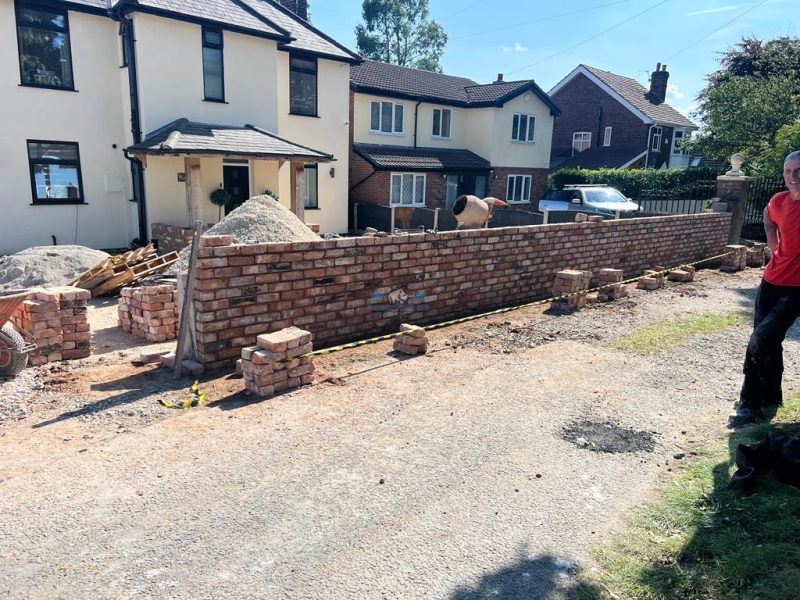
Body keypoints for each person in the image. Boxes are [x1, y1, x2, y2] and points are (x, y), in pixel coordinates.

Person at [729, 150, 800, 427]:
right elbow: (767, 217)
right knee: (770, 341)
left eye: (799, 171)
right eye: (788, 171)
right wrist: (774, 248)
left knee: (761, 339)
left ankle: (749, 403)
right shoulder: (779, 201)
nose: (792, 177)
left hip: (796, 288)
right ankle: (771, 397)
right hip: (771, 281)